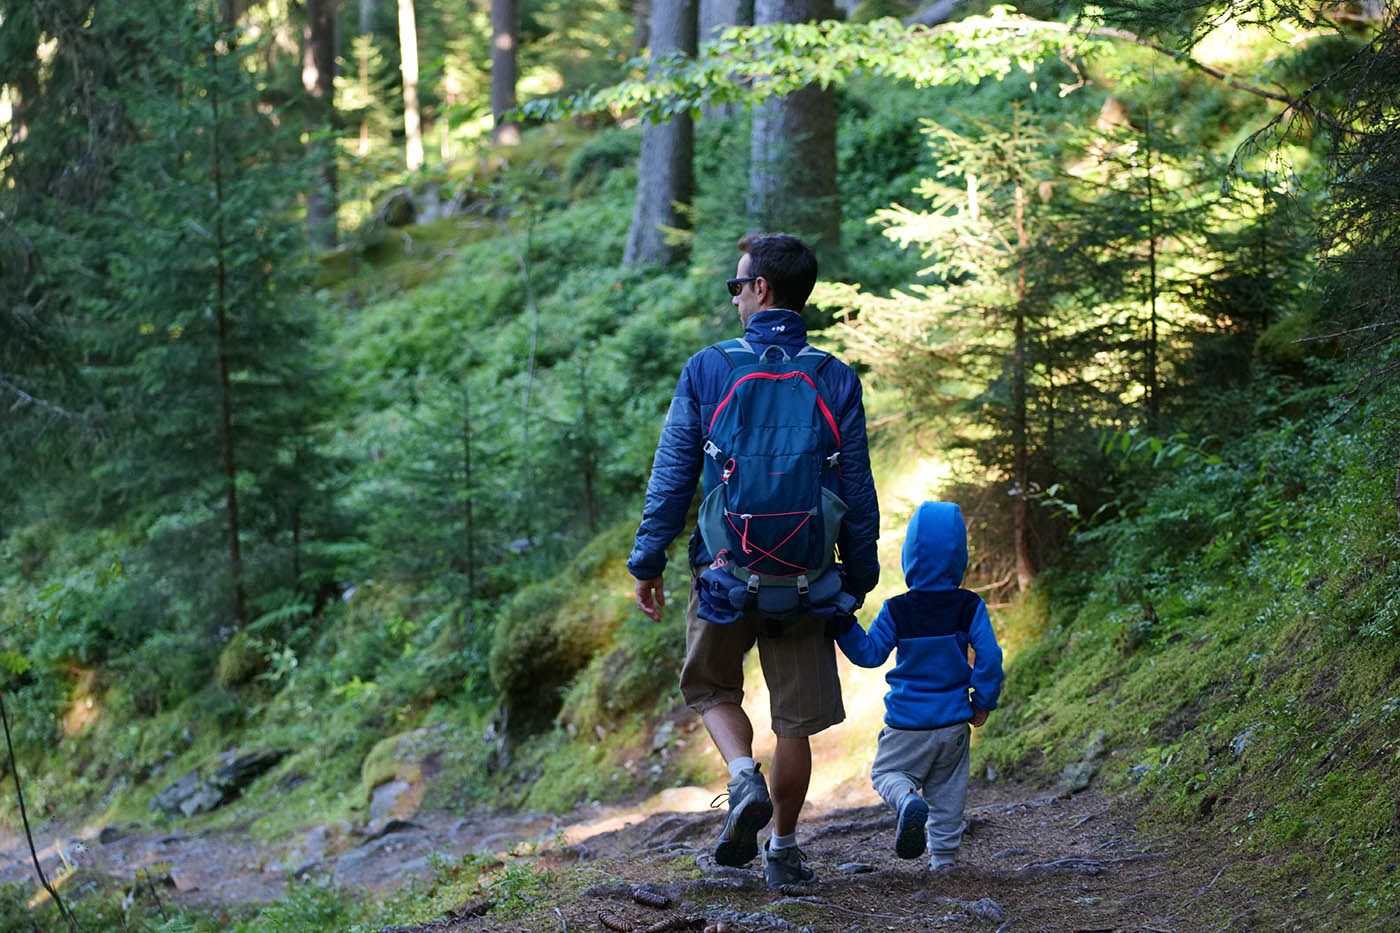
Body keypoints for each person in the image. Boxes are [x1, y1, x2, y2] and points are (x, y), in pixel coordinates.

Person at [629, 233, 880, 888]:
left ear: (761, 289)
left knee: (710, 686)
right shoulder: (834, 376)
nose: (736, 295)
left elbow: (674, 475)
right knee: (795, 721)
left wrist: (647, 558)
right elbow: (856, 488)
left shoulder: (708, 369)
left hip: (723, 574)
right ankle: (786, 849)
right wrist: (856, 578)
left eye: (737, 284)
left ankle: (744, 779)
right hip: (806, 578)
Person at [833, 501, 1004, 872]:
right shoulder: (969, 605)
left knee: (886, 775)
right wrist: (983, 701)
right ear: (959, 555)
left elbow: (869, 654)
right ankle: (943, 863)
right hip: (954, 724)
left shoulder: (898, 609)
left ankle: (907, 799)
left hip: (907, 724)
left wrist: (841, 623)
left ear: (910, 554)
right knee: (948, 795)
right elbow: (990, 657)